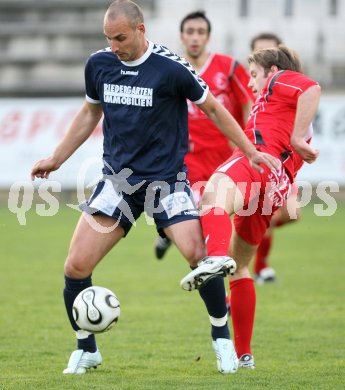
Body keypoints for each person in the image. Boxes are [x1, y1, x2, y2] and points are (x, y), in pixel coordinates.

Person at [31, 0, 279, 375]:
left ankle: (222, 341)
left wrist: (251, 151)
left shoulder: (170, 68)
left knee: (201, 257)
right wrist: (56, 158)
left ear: (141, 30)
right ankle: (87, 348)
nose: (113, 45)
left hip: (166, 181)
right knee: (76, 265)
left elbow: (213, 108)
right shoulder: (99, 64)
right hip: (118, 181)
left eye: (120, 37)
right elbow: (89, 112)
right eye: (108, 38)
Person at [180, 45, 321, 369]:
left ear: (272, 73)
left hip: (255, 161)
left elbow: (312, 87)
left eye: (255, 74)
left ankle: (215, 257)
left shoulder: (279, 82)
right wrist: (299, 139)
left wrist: (298, 138)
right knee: (241, 268)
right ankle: (244, 355)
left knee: (212, 197)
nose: (252, 84)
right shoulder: (289, 109)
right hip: (273, 189)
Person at [155, 10, 255, 260]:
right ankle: (213, 266)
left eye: (201, 32)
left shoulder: (228, 67)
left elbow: (248, 103)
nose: (195, 38)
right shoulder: (172, 68)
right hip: (188, 159)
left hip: (224, 157)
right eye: (190, 32)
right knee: (205, 215)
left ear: (208, 37)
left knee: (218, 215)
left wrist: (248, 140)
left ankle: (169, 234)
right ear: (182, 36)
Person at [250, 32, 305, 284]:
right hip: (261, 160)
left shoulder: (288, 91)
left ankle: (245, 241)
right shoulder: (251, 88)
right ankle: (260, 268)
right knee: (265, 213)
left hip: (282, 162)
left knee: (293, 213)